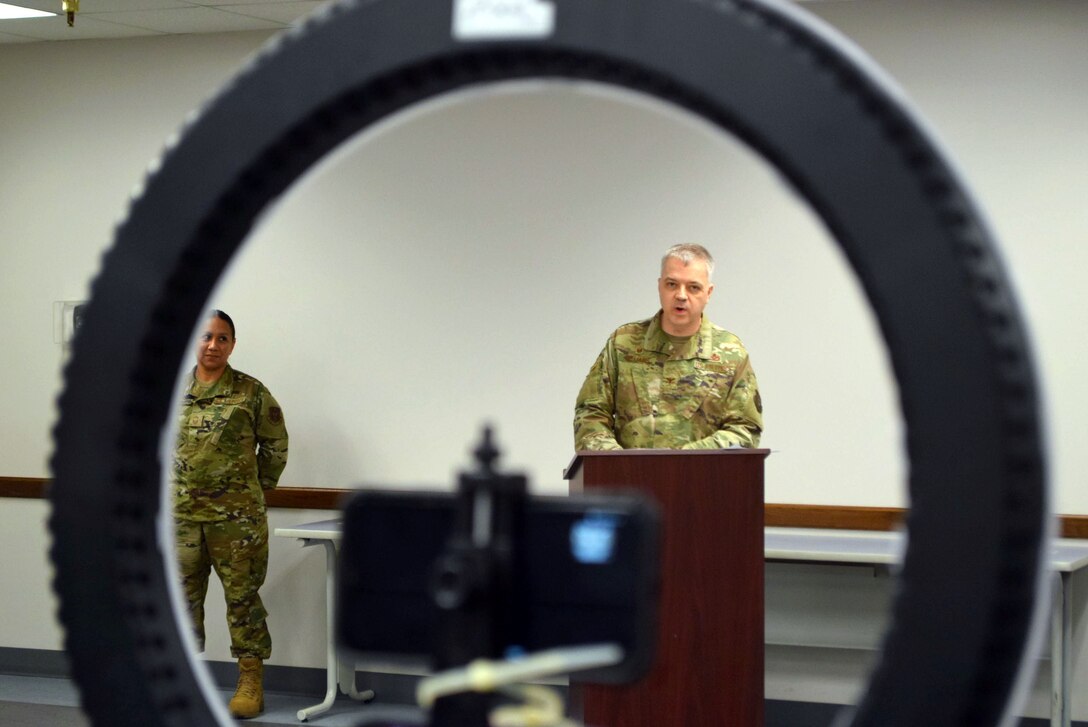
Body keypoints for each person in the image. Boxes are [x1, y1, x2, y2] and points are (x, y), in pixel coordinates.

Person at [172, 310, 288, 719]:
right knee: (180, 601)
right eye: (206, 336)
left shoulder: (250, 392)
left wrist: (252, 490)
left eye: (223, 338)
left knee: (242, 600)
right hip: (180, 519)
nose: (213, 345)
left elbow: (275, 447)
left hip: (236, 521)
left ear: (232, 345)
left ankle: (250, 681)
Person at [574, 244, 763, 450]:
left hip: (703, 478)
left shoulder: (730, 352)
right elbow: (591, 412)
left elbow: (745, 429)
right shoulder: (623, 343)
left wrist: (685, 459)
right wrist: (620, 462)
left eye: (693, 287)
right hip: (629, 478)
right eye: (672, 284)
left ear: (708, 293)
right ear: (659, 286)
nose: (681, 295)